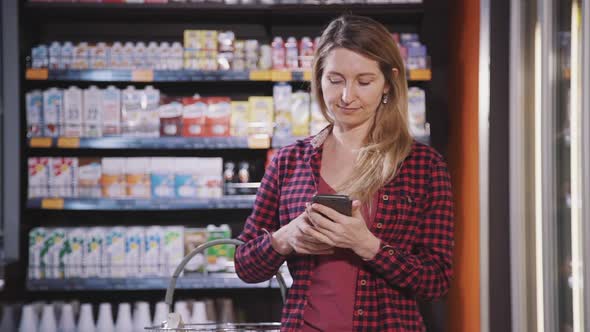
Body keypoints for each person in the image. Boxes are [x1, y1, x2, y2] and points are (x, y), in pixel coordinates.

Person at [235, 14, 454, 332]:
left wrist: (368, 245)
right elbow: (244, 265)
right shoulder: (289, 162)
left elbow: (436, 281)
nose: (347, 96)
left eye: (364, 82)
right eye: (335, 80)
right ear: (319, 78)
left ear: (387, 83)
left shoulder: (422, 165)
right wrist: (285, 238)